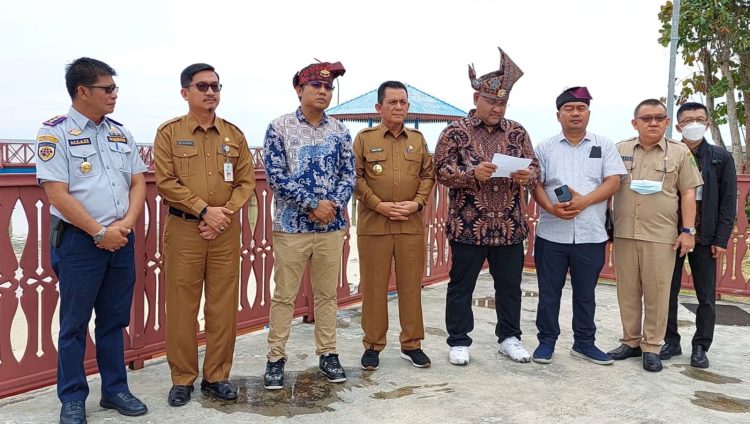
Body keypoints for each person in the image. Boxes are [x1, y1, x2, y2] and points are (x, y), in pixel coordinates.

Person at [35, 57, 148, 424]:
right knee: (74, 324)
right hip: (80, 243)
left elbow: (138, 182)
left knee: (114, 320)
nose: (114, 95)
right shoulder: (55, 133)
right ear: (83, 91)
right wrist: (99, 232)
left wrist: (125, 225)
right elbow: (57, 193)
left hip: (121, 239)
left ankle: (114, 390)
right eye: (107, 88)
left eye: (115, 88)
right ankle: (72, 398)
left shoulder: (120, 132)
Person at [154, 63, 255, 406]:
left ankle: (217, 376)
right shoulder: (169, 133)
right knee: (182, 306)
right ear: (186, 92)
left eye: (216, 86)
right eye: (202, 86)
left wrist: (222, 214)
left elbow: (246, 181)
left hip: (224, 230)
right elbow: (165, 182)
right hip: (185, 229)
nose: (211, 92)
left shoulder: (234, 134)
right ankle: (182, 378)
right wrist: (203, 210)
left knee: (223, 305)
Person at [434, 47, 539, 366]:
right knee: (461, 285)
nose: (497, 108)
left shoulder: (517, 131)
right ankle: (458, 340)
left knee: (510, 287)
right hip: (468, 225)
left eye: (502, 103)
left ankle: (509, 337)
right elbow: (440, 170)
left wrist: (527, 175)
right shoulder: (455, 131)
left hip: (509, 224)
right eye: (492, 101)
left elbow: (536, 169)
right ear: (477, 98)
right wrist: (470, 175)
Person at [262, 61, 355, 389]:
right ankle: (275, 358)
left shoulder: (340, 131)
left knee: (327, 295)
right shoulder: (280, 128)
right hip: (291, 226)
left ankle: (328, 353)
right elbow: (276, 174)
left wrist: (334, 205)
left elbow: (349, 174)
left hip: (331, 228)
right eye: (316, 86)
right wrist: (312, 204)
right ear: (299, 89)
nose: (323, 92)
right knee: (284, 295)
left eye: (328, 87)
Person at [531, 87, 626, 365]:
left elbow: (613, 181)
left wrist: (583, 202)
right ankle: (546, 342)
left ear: (588, 113)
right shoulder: (545, 147)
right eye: (569, 108)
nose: (575, 113)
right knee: (549, 293)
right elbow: (536, 184)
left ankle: (584, 343)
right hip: (552, 233)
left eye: (581, 108)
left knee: (586, 294)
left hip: (590, 233)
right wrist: (551, 208)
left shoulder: (603, 144)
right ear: (558, 114)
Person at [607, 99, 703, 372]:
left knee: (658, 293)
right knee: (627, 291)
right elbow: (608, 186)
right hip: (625, 233)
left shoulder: (680, 152)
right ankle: (630, 341)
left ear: (667, 122)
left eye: (659, 118)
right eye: (646, 118)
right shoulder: (620, 150)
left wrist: (688, 231)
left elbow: (688, 193)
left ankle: (652, 346)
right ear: (634, 122)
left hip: (661, 235)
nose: (653, 123)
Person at [353, 81, 436, 370]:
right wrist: (378, 204)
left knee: (411, 286)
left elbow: (428, 175)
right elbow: (356, 178)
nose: (399, 107)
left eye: (403, 102)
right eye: (392, 102)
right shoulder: (364, 139)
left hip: (410, 224)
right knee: (374, 287)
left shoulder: (418, 139)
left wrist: (417, 203)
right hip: (375, 223)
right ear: (379, 107)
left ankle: (411, 344)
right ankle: (373, 345)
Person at [660, 102, 736, 369]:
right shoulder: (668, 153)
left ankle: (701, 346)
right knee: (667, 292)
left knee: (706, 295)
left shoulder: (719, 157)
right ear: (678, 125)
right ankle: (670, 340)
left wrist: (721, 239)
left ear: (707, 123)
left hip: (706, 235)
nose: (695, 123)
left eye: (700, 119)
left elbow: (729, 201)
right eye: (688, 119)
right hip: (671, 233)